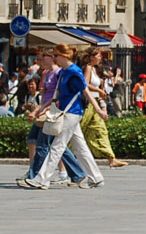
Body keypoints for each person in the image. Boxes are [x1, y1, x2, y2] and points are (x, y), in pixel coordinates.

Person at [17, 51, 103, 192]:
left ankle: (41, 179)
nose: (54, 58)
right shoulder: (63, 72)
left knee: (57, 146)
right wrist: (43, 108)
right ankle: (96, 177)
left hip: (72, 113)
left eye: (56, 55)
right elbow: (57, 95)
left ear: (65, 56)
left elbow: (85, 91)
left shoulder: (75, 71)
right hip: (65, 112)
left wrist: (98, 109)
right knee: (80, 147)